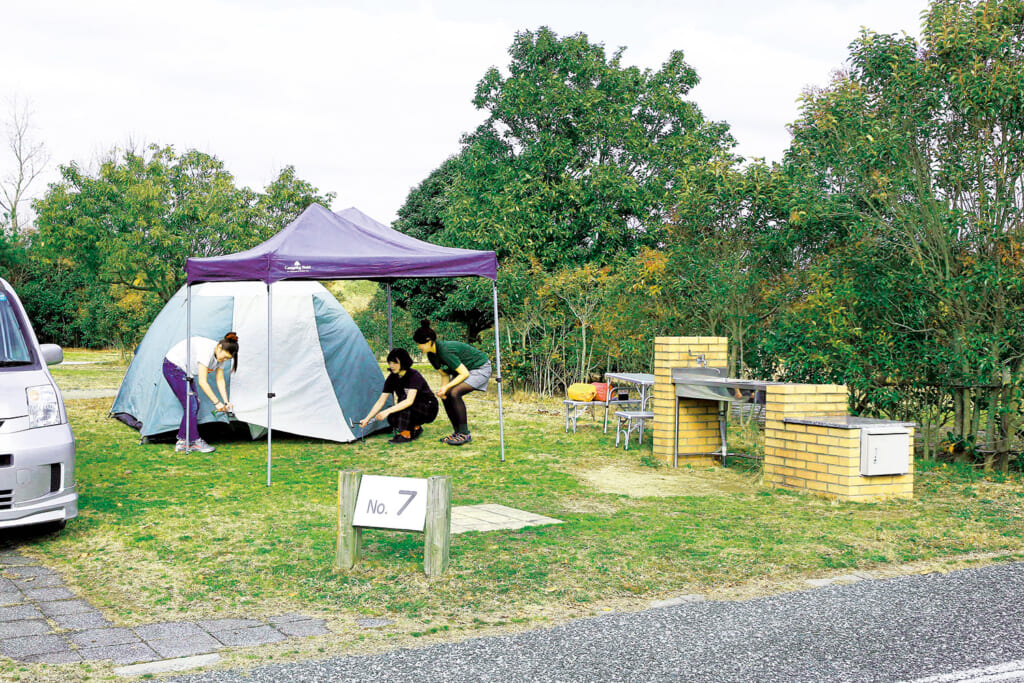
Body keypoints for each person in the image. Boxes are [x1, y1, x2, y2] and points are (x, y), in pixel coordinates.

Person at [412, 319, 491, 446]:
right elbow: (444, 374)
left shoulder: (445, 351)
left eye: (419, 344)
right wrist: (443, 390)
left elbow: (464, 373)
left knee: (454, 392)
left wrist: (448, 387)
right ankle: (457, 433)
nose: (418, 347)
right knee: (446, 395)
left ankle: (465, 434)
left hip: (480, 367)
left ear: (429, 341)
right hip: (465, 370)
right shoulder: (432, 355)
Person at [162, 332, 239, 454]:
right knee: (191, 405)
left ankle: (182, 441)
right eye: (224, 357)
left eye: (227, 359)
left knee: (193, 404)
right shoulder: (207, 351)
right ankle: (195, 441)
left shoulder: (219, 354)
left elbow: (220, 380)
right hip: (173, 367)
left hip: (185, 371)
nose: (224, 360)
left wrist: (226, 401)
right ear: (219, 347)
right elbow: (203, 382)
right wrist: (217, 402)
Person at [360, 348, 438, 444]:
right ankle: (416, 428)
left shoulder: (414, 376)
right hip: (411, 407)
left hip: (428, 408)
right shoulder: (392, 378)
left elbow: (409, 401)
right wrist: (367, 419)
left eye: (395, 363)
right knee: (392, 417)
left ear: (404, 362)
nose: (391, 366)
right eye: (390, 362)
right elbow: (381, 400)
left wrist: (386, 411)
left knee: (405, 404)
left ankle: (406, 434)